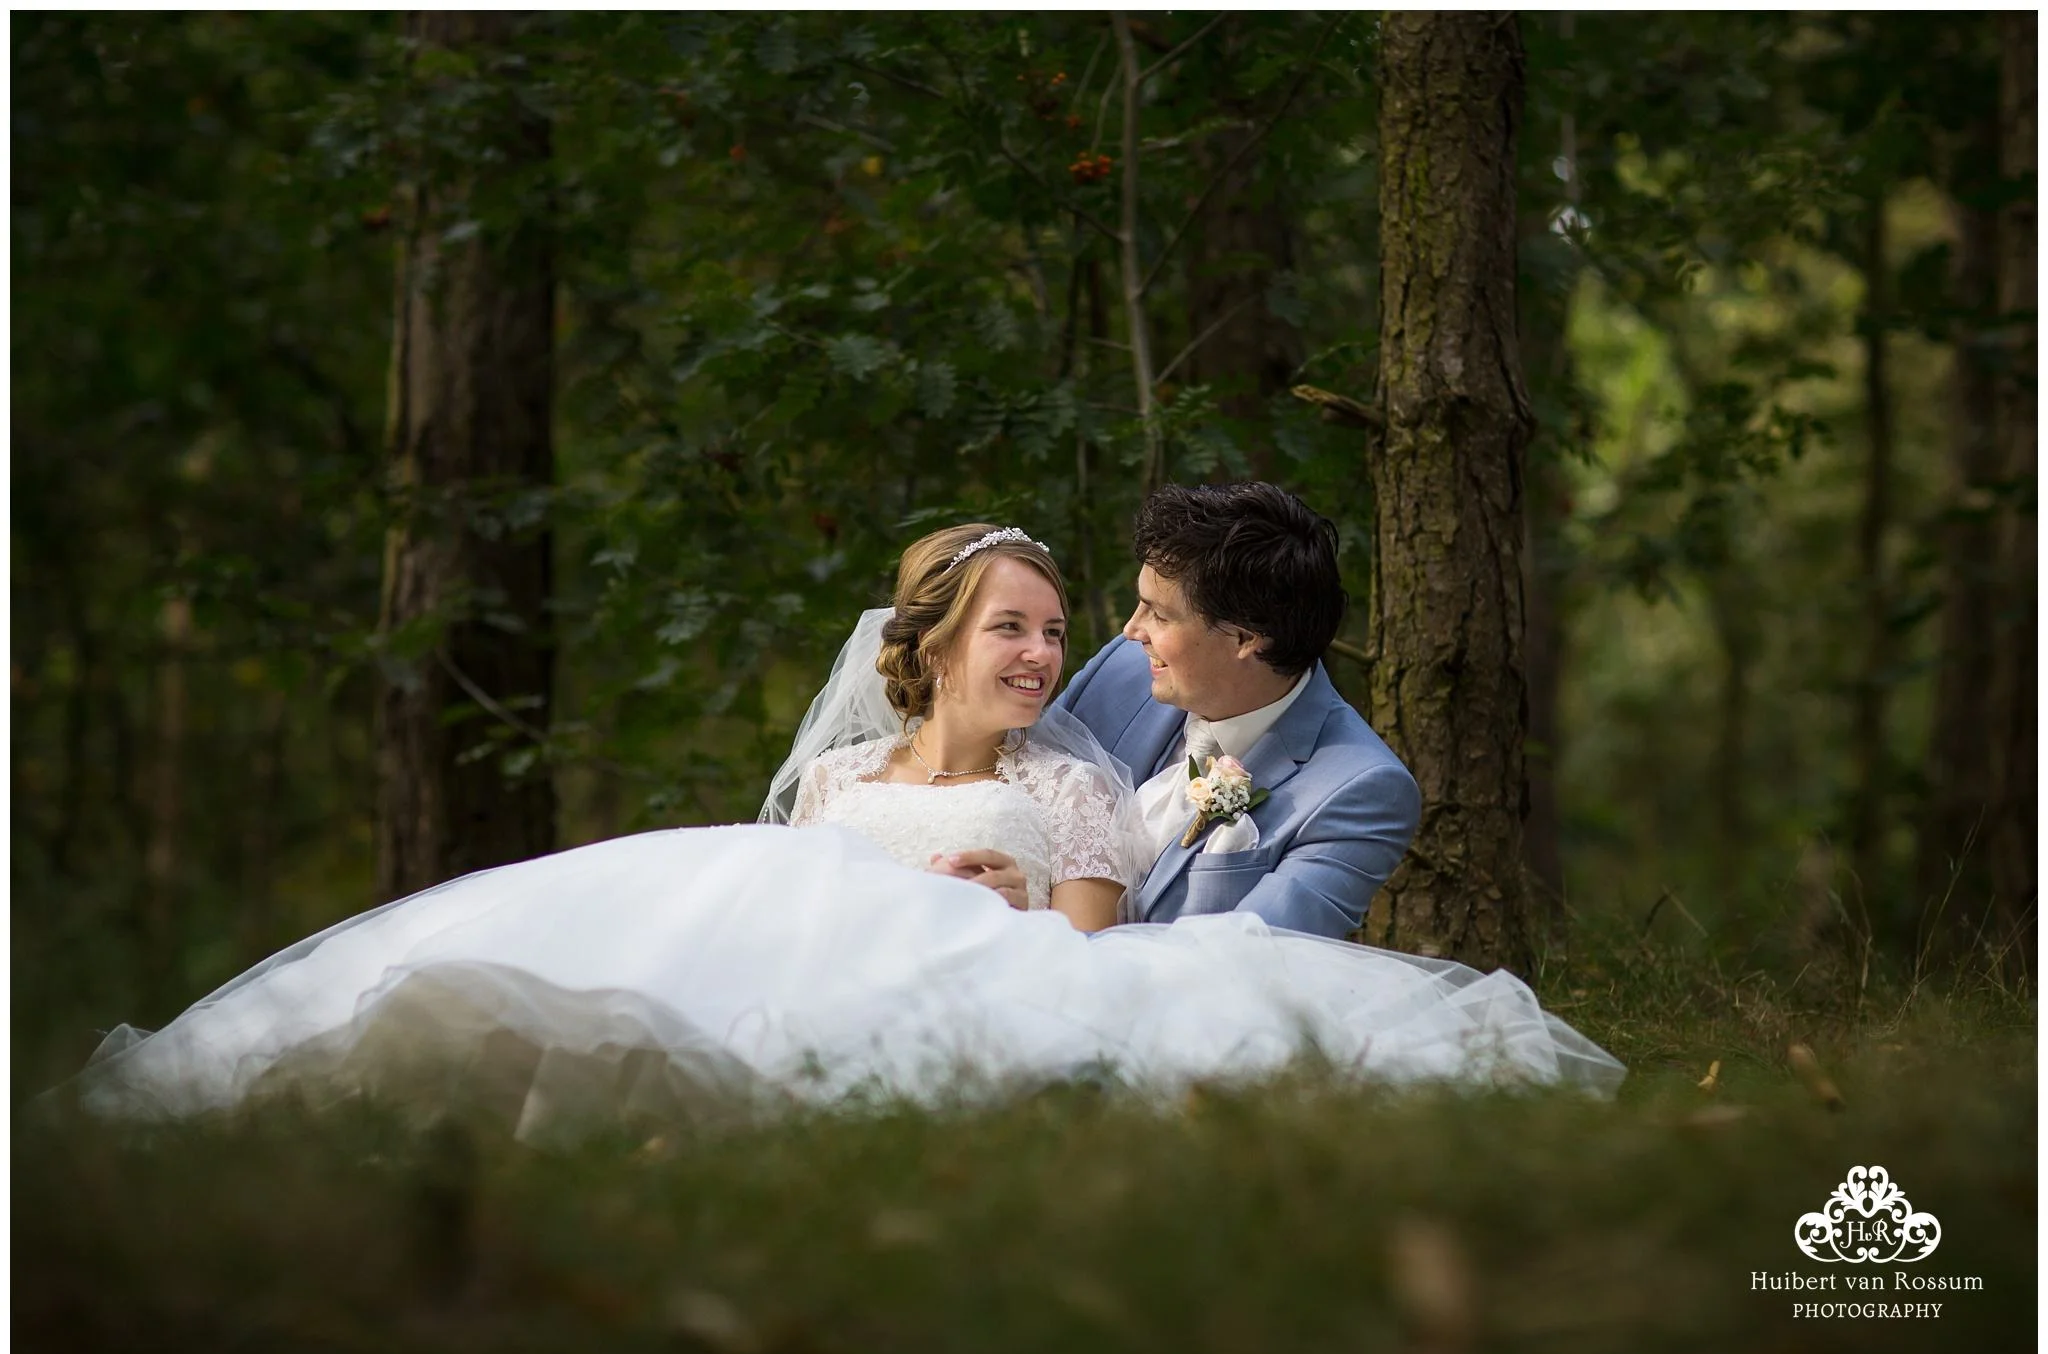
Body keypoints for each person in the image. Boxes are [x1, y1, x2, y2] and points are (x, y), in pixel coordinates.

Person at [60, 523, 1622, 1140]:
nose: (1081, 654)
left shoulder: (1333, 784)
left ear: (1251, 649)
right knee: (680, 899)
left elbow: (1228, 960)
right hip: (824, 894)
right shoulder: (1042, 714)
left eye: (1131, 621)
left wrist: (1015, 911)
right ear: (935, 640)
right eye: (1027, 629)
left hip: (1026, 957)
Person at [1058, 482, 1420, 938]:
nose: (1132, 630)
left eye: (1160, 615)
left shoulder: (1361, 791)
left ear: (1246, 639)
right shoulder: (1120, 671)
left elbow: (1244, 965)